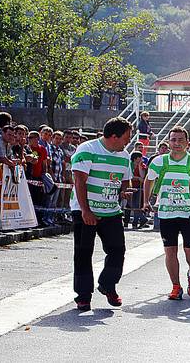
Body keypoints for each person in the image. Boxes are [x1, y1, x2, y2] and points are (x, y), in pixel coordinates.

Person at [70, 117, 133, 311]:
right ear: (114, 136)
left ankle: (107, 284)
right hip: (86, 210)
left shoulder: (124, 155)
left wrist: (124, 191)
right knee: (83, 253)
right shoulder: (87, 150)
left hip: (111, 211)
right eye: (126, 138)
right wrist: (85, 211)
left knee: (117, 250)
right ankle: (83, 296)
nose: (128, 142)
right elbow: (80, 182)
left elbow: (125, 180)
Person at [142, 126, 190, 300]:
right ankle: (176, 286)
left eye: (180, 140)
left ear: (187, 143)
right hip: (167, 213)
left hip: (189, 213)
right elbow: (149, 179)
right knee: (170, 251)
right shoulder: (159, 162)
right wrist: (146, 201)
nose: (176, 143)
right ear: (169, 142)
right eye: (173, 140)